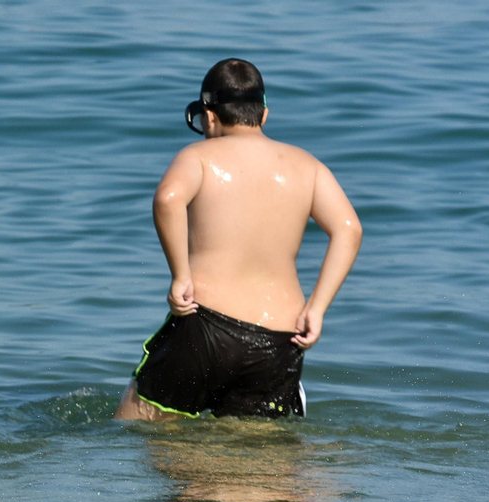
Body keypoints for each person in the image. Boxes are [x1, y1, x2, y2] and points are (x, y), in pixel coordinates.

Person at [115, 58, 362, 421]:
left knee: (140, 426)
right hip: (278, 337)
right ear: (264, 115)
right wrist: (317, 308)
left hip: (205, 325)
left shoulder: (198, 157)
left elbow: (168, 199)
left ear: (209, 117)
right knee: (253, 452)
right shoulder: (308, 166)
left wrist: (180, 276)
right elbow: (349, 229)